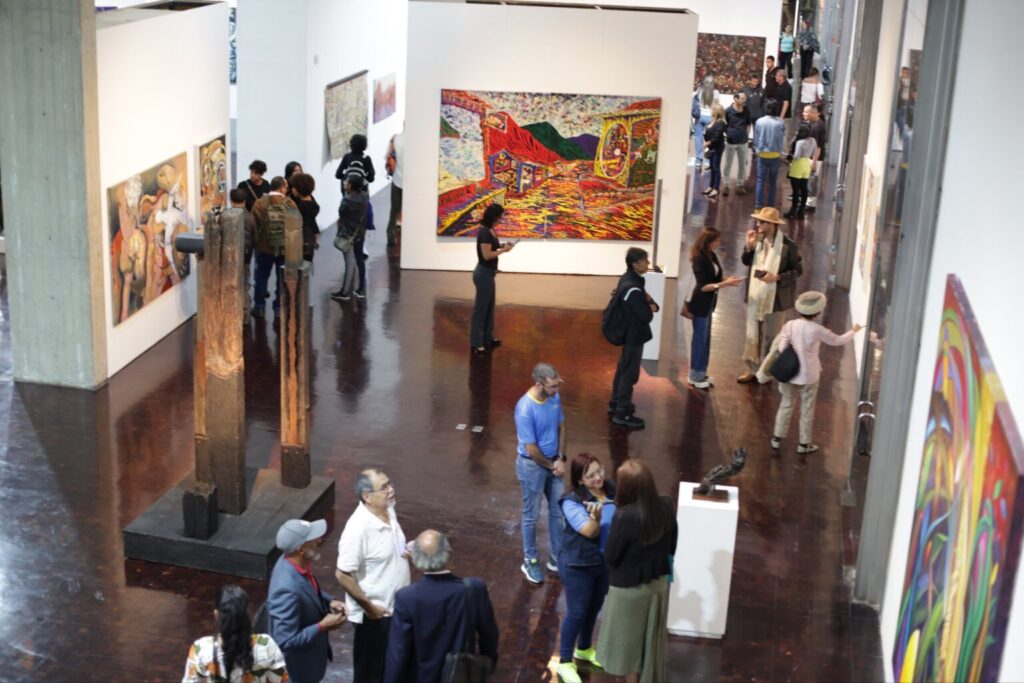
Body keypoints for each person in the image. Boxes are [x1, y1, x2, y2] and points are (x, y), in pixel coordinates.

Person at [596, 459, 677, 683]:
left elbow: (611, 556)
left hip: (628, 591)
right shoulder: (666, 505)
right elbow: (672, 546)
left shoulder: (624, 516)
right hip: (657, 586)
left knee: (626, 651)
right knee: (647, 645)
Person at [383, 531, 499, 683]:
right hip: (461, 674)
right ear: (449, 554)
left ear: (415, 559)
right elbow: (489, 635)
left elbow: (399, 651)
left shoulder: (406, 597)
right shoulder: (474, 589)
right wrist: (487, 666)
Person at [335, 469, 411, 683]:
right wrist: (370, 607)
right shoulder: (357, 529)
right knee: (370, 672)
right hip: (376, 616)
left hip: (396, 608)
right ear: (367, 497)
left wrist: (405, 549)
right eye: (384, 487)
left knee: (392, 665)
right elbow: (342, 574)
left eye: (390, 483)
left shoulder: (387, 508)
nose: (391, 490)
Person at [767, 291, 863, 453]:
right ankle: (804, 444)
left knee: (786, 405)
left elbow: (782, 348)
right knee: (807, 409)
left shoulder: (790, 325)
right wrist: (854, 331)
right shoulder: (818, 330)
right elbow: (837, 340)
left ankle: (777, 439)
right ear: (818, 312)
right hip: (809, 375)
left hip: (789, 374)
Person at [555, 453, 616, 683]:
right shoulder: (571, 501)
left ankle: (584, 648)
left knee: (594, 608)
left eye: (600, 471)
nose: (598, 477)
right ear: (580, 480)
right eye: (591, 476)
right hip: (578, 565)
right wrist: (596, 519)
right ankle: (564, 661)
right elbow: (589, 531)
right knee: (576, 612)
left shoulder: (611, 488)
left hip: (603, 562)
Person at [267, 519, 347, 683]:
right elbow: (286, 641)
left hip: (311, 660)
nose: (319, 540)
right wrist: (322, 625)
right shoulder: (286, 590)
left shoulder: (291, 562)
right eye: (313, 538)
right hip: (298, 671)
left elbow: (306, 589)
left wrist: (329, 601)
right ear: (301, 549)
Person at [514, 361, 567, 583]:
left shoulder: (554, 397)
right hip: (532, 467)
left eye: (558, 384)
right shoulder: (525, 408)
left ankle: (557, 557)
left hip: (553, 463)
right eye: (553, 386)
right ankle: (530, 560)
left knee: (558, 512)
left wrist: (560, 457)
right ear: (539, 384)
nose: (556, 390)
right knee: (531, 516)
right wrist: (552, 465)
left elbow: (561, 427)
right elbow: (531, 449)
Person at [738, 207, 803, 383]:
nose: (758, 224)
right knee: (753, 333)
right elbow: (746, 261)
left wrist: (777, 277)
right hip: (756, 295)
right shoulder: (757, 241)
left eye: (762, 222)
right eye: (758, 221)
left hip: (777, 298)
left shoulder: (788, 246)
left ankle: (766, 372)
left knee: (772, 337)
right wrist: (748, 246)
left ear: (773, 225)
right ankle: (752, 370)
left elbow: (798, 271)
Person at [182, 585, 289, 683]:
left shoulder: (200, 649)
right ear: (247, 615)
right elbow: (282, 680)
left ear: (216, 614)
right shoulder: (266, 645)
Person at [684, 228, 744, 389]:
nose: (719, 243)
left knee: (706, 340)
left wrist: (729, 280)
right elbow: (703, 286)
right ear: (708, 241)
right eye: (716, 240)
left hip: (709, 303)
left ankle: (701, 372)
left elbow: (715, 278)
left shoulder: (711, 255)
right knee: (699, 341)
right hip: (701, 303)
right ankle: (695, 375)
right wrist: (725, 284)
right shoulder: (699, 259)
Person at [609, 248, 659, 429]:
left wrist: (649, 304)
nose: (648, 263)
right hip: (633, 335)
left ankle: (615, 402)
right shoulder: (633, 288)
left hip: (631, 333)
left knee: (624, 367)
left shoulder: (629, 279)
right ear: (635, 264)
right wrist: (650, 306)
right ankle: (622, 413)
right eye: (645, 261)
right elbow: (646, 315)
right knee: (629, 373)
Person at [470, 203, 516, 353]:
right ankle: (476, 343)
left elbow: (492, 246)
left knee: (489, 307)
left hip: (489, 273)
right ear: (494, 216)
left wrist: (503, 245)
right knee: (481, 309)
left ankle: (488, 338)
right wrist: (504, 250)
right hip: (483, 274)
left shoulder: (491, 229)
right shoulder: (484, 232)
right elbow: (487, 255)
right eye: (500, 217)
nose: (502, 219)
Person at [251, 176, 296, 320]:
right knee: (281, 279)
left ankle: (259, 307)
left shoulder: (260, 203)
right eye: (286, 186)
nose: (287, 189)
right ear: (282, 188)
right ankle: (278, 308)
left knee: (261, 277)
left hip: (264, 247)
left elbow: (254, 224)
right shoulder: (290, 203)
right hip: (284, 248)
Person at [330, 174, 368, 302]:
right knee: (359, 261)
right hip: (360, 233)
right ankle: (361, 288)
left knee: (349, 263)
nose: (344, 182)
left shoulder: (346, 200)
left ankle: (345, 292)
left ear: (350, 185)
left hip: (347, 234)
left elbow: (342, 214)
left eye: (346, 181)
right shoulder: (364, 196)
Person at [228, 188, 256, 322]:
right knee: (244, 287)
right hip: (245, 259)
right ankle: (245, 316)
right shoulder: (250, 218)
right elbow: (255, 239)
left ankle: (230, 315)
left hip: (228, 259)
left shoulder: (224, 216)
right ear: (245, 201)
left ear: (231, 200)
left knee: (228, 286)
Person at [753, 100, 785, 210]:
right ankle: (771, 206)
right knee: (773, 182)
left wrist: (757, 150)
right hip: (775, 154)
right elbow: (782, 137)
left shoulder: (759, 121)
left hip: (762, 154)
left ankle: (758, 206)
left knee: (760, 181)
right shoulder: (780, 122)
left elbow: (756, 138)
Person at [722, 92, 752, 196]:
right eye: (742, 98)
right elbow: (724, 124)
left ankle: (740, 185)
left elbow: (749, 124)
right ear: (735, 99)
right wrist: (728, 134)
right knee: (728, 164)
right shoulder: (728, 111)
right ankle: (726, 185)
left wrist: (746, 135)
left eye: (745, 98)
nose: (744, 100)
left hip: (743, 142)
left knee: (742, 164)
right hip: (731, 142)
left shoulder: (746, 110)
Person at [784, 125, 817, 219]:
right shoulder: (813, 140)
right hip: (807, 164)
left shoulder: (800, 142)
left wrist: (788, 157)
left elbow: (797, 156)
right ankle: (801, 210)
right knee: (804, 188)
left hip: (798, 165)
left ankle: (793, 211)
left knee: (795, 191)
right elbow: (813, 152)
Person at [289, 173, 319, 263]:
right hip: (309, 240)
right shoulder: (312, 203)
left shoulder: (301, 207)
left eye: (294, 187)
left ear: (300, 188)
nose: (292, 189)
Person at [803, 104, 827, 213]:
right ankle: (806, 200)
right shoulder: (811, 123)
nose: (803, 114)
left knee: (812, 180)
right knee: (807, 179)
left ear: (813, 113)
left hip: (814, 157)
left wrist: (814, 162)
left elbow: (818, 146)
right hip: (809, 156)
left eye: (806, 112)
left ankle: (811, 204)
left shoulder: (818, 127)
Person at [692, 75, 719, 170]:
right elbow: (716, 107)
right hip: (710, 118)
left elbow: (694, 103)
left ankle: (698, 160)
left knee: (698, 139)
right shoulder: (715, 93)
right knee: (709, 140)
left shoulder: (699, 90)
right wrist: (715, 120)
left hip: (699, 117)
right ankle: (707, 160)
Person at [701, 103, 726, 198]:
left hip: (717, 147)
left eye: (712, 110)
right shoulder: (712, 122)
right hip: (711, 147)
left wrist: (707, 143)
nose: (711, 111)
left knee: (716, 167)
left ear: (716, 111)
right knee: (712, 167)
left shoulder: (721, 123)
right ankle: (711, 186)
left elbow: (717, 137)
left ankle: (716, 188)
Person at [385, 128, 405, 247]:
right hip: (412, 182)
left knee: (394, 210)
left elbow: (388, 157)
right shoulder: (416, 141)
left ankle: (391, 236)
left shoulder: (395, 139)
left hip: (397, 179)